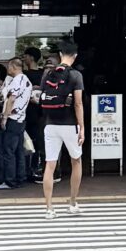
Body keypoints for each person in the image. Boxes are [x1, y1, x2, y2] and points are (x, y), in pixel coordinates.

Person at [38, 40, 87, 216]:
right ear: (75, 56)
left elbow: (40, 97)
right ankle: (72, 203)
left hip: (50, 124)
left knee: (50, 164)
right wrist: (82, 127)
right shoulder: (76, 76)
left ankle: (49, 208)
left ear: (60, 55)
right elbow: (78, 104)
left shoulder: (48, 74)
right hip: (69, 124)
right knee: (76, 161)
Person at [1, 56, 33, 190]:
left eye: (9, 66)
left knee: (9, 151)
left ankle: (10, 180)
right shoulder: (27, 81)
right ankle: (20, 177)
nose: (8, 69)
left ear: (14, 67)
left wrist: (4, 117)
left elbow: (11, 99)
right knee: (19, 150)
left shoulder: (16, 81)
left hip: (13, 119)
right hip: (22, 118)